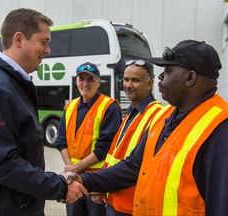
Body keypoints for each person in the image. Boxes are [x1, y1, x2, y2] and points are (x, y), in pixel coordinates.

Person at [69, 40, 228, 215]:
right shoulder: (166, 116)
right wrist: (85, 180)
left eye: (167, 71)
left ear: (190, 78)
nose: (160, 77)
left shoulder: (220, 129)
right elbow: (133, 167)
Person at [0, 8, 87, 216]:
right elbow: (1, 164)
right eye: (43, 42)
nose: (48, 50)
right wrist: (59, 186)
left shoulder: (10, 84)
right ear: (19, 39)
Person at [56, 62, 123, 216]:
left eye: (90, 79)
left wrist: (74, 169)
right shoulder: (70, 106)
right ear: (76, 81)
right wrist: (70, 169)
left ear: (98, 82)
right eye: (81, 79)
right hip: (73, 179)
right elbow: (61, 141)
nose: (85, 83)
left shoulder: (109, 107)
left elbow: (105, 147)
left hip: (96, 182)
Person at [102, 59, 162, 216]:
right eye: (126, 79)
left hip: (131, 206)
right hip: (114, 198)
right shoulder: (131, 112)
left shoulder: (156, 115)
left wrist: (96, 182)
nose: (128, 85)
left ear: (150, 84)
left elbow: (137, 166)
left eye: (135, 80)